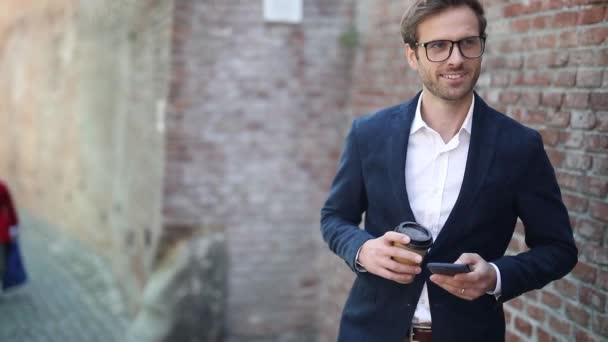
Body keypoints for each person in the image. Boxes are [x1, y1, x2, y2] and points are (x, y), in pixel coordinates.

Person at [320, 1, 578, 341]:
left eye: (468, 43)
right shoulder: (369, 134)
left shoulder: (520, 146)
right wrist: (361, 250)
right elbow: (334, 217)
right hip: (370, 331)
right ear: (412, 55)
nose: (456, 58)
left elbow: (558, 249)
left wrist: (496, 276)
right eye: (438, 45)